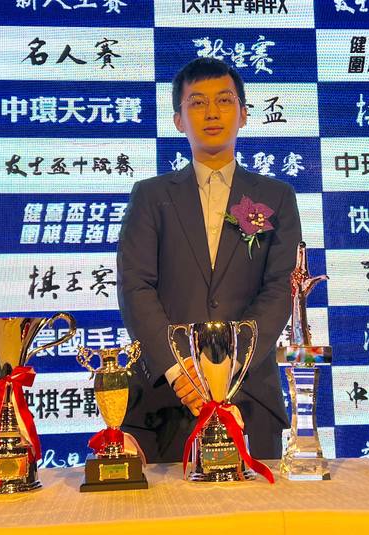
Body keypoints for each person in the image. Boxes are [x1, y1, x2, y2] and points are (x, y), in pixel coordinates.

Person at [116, 57, 302, 463]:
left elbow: (280, 288)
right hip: (166, 395)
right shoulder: (151, 196)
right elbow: (135, 286)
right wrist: (178, 369)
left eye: (224, 100)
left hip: (249, 392)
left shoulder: (277, 197)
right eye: (197, 103)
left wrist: (233, 361)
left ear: (244, 114)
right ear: (178, 120)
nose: (212, 112)